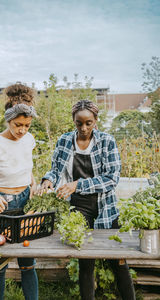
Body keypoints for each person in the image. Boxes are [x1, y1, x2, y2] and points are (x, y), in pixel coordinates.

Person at [39, 99, 136, 300]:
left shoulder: (107, 141)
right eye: (79, 123)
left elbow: (111, 179)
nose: (83, 128)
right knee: (86, 263)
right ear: (73, 121)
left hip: (105, 207)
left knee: (117, 261)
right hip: (78, 208)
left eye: (88, 123)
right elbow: (56, 170)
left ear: (96, 120)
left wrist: (77, 184)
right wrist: (48, 180)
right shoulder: (64, 141)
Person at [0, 85, 38, 300]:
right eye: (17, 125)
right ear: (8, 120)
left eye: (27, 125)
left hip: (23, 203)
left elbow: (27, 166)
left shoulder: (29, 139)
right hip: (0, 206)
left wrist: (32, 184)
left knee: (28, 262)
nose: (22, 130)